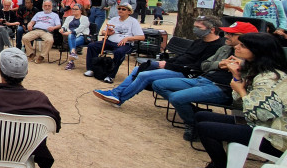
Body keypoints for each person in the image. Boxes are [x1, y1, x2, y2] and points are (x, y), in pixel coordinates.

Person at [192, 33, 287, 168]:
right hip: (261, 125)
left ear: (258, 50)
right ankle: (219, 167)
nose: (236, 47)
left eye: (243, 45)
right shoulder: (259, 71)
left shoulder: (270, 78)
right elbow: (241, 103)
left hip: (273, 137)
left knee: (206, 128)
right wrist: (236, 76)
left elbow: (259, 113)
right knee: (201, 116)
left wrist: (241, 90)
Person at [152, 21, 258, 140]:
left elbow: (249, 84)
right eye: (227, 33)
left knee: (177, 98)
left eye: (231, 34)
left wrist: (239, 69)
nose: (226, 36)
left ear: (247, 38)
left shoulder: (255, 59)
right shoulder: (225, 48)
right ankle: (195, 112)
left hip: (222, 88)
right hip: (204, 79)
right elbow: (204, 65)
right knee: (158, 84)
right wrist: (219, 64)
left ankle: (193, 124)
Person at [93, 16, 224, 111]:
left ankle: (120, 98)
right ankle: (116, 94)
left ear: (212, 29)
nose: (195, 30)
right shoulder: (198, 41)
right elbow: (184, 57)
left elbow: (198, 66)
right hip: (175, 65)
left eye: (198, 27)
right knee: (139, 69)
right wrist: (166, 62)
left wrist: (168, 65)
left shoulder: (216, 46)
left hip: (187, 73)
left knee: (145, 76)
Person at [83, 2, 144, 83]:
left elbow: (142, 37)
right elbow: (104, 32)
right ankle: (91, 69)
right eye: (119, 8)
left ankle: (110, 75)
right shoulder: (113, 19)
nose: (120, 10)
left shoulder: (133, 21)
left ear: (129, 12)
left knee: (119, 52)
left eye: (123, 9)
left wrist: (128, 38)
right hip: (110, 41)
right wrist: (107, 33)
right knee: (92, 46)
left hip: (124, 44)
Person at [60, 5, 90, 70]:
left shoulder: (85, 18)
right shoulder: (69, 18)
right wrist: (62, 29)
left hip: (82, 36)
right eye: (73, 9)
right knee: (71, 38)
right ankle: (73, 54)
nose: (73, 10)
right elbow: (65, 25)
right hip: (71, 36)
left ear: (81, 11)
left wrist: (70, 32)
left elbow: (81, 28)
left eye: (76, 9)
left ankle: (71, 62)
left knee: (71, 41)